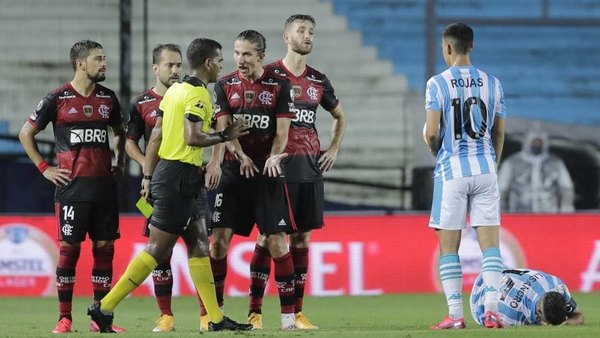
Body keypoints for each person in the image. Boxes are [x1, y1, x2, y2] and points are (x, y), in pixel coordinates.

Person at [86, 37, 253, 333]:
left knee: (200, 246)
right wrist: (225, 136)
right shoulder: (199, 95)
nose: (221, 66)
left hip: (181, 177)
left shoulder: (174, 91)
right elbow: (192, 137)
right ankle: (104, 307)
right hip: (178, 178)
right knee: (156, 250)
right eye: (220, 61)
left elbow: (157, 136)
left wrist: (149, 177)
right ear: (208, 63)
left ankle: (215, 319)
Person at [245, 14, 347, 330]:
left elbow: (340, 117)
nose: (308, 36)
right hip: (277, 170)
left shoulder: (318, 80)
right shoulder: (271, 75)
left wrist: (332, 149)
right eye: (301, 30)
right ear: (286, 37)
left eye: (311, 31)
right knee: (269, 235)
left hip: (309, 168)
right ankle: (255, 311)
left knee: (302, 238)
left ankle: (297, 313)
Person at [18, 40, 127, 334]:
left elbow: (120, 132)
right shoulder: (57, 98)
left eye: (104, 58)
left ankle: (100, 318)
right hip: (71, 190)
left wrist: (121, 159)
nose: (104, 63)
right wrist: (44, 168)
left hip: (104, 188)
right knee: (69, 250)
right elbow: (26, 133)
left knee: (105, 249)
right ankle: (64, 318)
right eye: (98, 59)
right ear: (81, 63)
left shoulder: (108, 99)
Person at [203, 29, 297, 331]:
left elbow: (282, 133)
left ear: (261, 56)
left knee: (276, 243)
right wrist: (240, 156)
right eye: (236, 53)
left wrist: (272, 157)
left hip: (267, 174)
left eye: (246, 54)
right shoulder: (223, 85)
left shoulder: (280, 86)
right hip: (233, 173)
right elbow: (224, 129)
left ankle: (287, 318)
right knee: (218, 244)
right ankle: (213, 315)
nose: (239, 60)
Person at [423, 22, 507, 329]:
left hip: (452, 171)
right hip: (486, 169)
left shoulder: (437, 83)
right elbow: (499, 132)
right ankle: (493, 312)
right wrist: (491, 163)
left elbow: (432, 133)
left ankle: (456, 316)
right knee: (491, 247)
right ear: (471, 46)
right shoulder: (493, 83)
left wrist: (437, 151)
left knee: (449, 247)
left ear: (447, 47)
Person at [124, 43, 183, 332]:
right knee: (161, 251)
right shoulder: (141, 104)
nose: (175, 70)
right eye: (169, 65)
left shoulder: (191, 96)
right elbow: (129, 141)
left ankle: (209, 314)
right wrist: (146, 166)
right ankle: (166, 315)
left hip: (189, 183)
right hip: (157, 185)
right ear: (155, 68)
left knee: (202, 248)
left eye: (179, 65)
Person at [470, 268, 584, 326]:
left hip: (499, 270)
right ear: (539, 311)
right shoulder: (511, 314)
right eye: (546, 322)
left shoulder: (557, 285)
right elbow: (490, 323)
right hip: (479, 295)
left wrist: (565, 323)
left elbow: (579, 315)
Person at [498, 129, 574, 213]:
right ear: (527, 142)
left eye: (540, 143)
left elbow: (566, 188)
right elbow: (502, 189)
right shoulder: (512, 163)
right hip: (519, 214)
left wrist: (566, 208)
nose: (537, 145)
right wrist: (501, 211)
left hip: (549, 214)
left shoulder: (555, 163)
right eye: (534, 142)